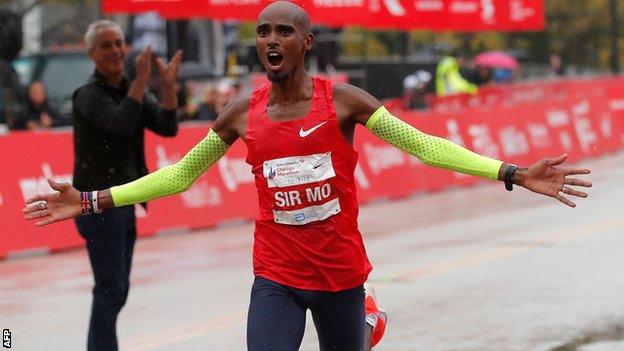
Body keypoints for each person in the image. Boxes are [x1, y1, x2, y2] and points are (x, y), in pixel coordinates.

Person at [24, 3, 592, 350]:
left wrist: (512, 172)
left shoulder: (344, 103)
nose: (271, 40)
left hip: (340, 274)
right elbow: (178, 178)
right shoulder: (241, 114)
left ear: (306, 43)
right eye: (263, 32)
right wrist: (95, 198)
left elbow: (425, 146)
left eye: (283, 32)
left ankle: (368, 316)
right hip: (276, 274)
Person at [62, 20, 181, 351]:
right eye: (106, 45)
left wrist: (168, 88)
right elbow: (120, 122)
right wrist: (143, 82)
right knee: (110, 289)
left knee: (116, 289)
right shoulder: (86, 95)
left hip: (123, 201)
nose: (115, 50)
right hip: (95, 206)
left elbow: (167, 127)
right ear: (91, 54)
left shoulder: (130, 88)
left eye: (118, 43)